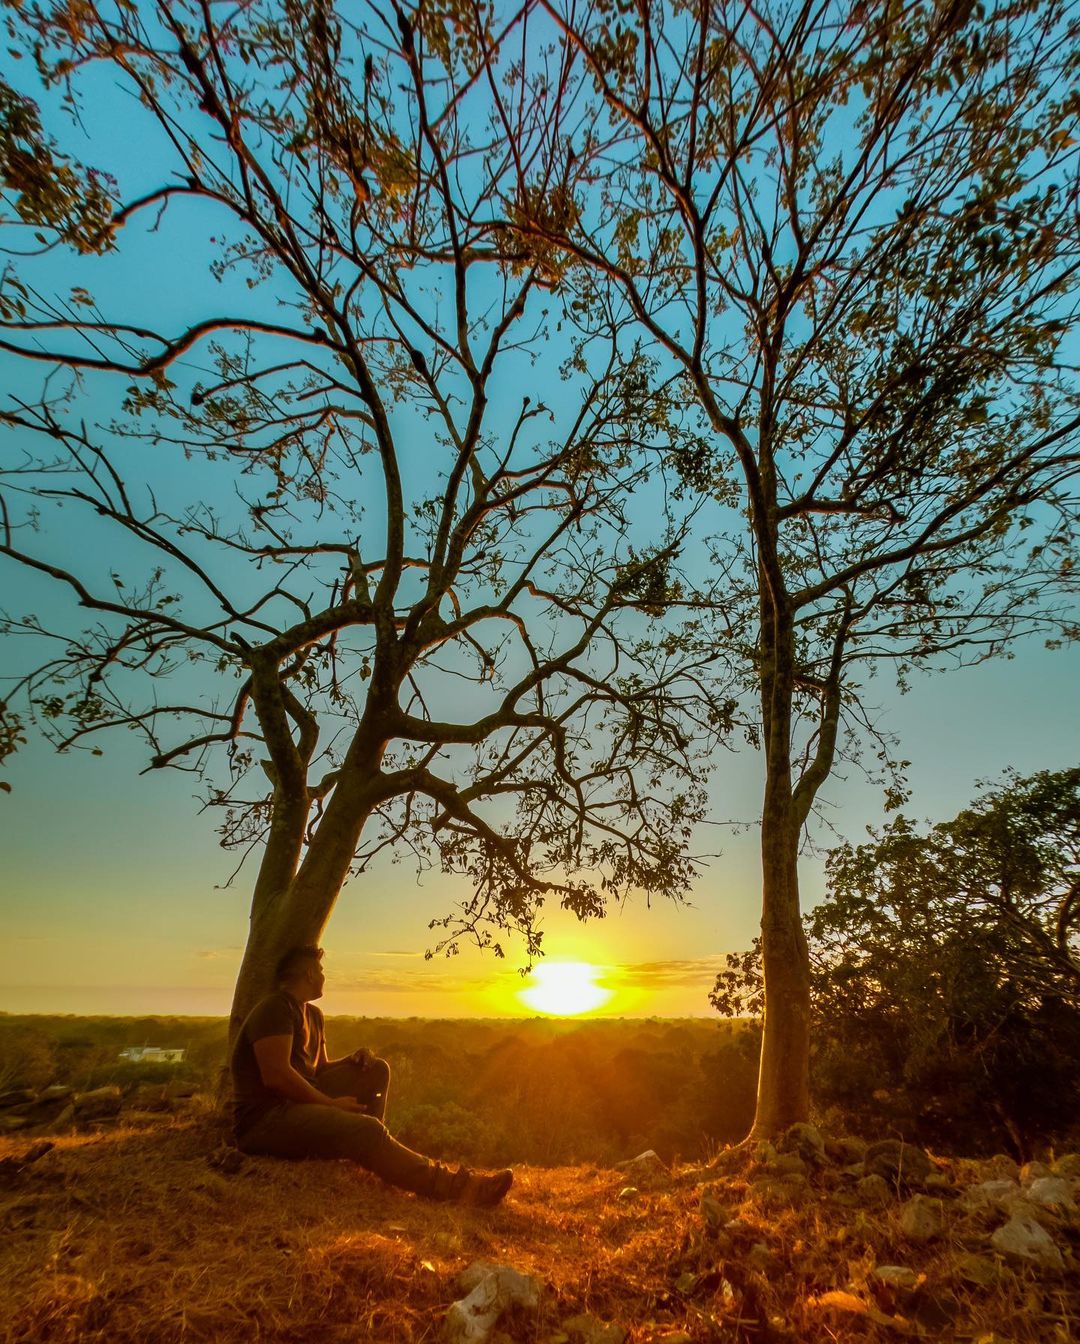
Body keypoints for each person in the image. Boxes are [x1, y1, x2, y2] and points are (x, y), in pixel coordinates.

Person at [230, 945, 513, 1206]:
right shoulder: (276, 1008)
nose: (324, 977)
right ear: (309, 973)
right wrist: (330, 1105)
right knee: (367, 1129)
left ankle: (371, 1153)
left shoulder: (313, 1015)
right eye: (321, 971)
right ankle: (457, 1187)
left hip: (298, 1109)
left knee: (376, 1070)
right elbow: (276, 1075)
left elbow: (318, 1070)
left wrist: (354, 1059)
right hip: (267, 1121)